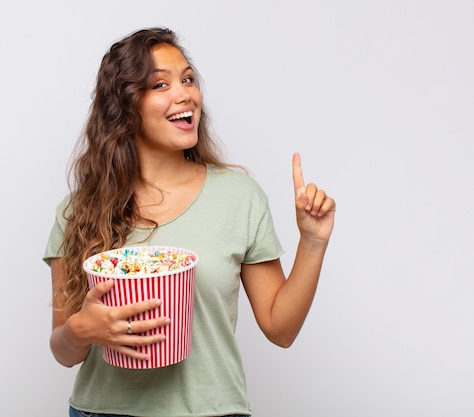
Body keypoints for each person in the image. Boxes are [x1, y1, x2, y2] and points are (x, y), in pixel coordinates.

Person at [43, 27, 336, 417]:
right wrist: (81, 330)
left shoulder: (239, 197)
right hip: (101, 411)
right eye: (160, 84)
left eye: (188, 79)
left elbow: (280, 330)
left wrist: (312, 243)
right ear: (126, 107)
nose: (185, 94)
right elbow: (63, 351)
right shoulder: (77, 211)